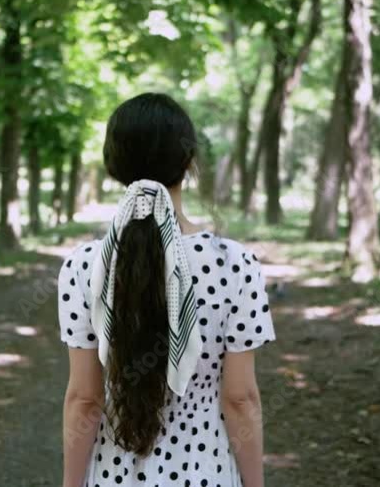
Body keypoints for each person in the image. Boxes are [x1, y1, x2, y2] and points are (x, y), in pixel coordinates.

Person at [58, 93, 276, 487]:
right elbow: (240, 399)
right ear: (189, 162)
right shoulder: (236, 263)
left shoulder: (84, 265)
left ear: (114, 165)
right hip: (205, 474)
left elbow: (84, 401)